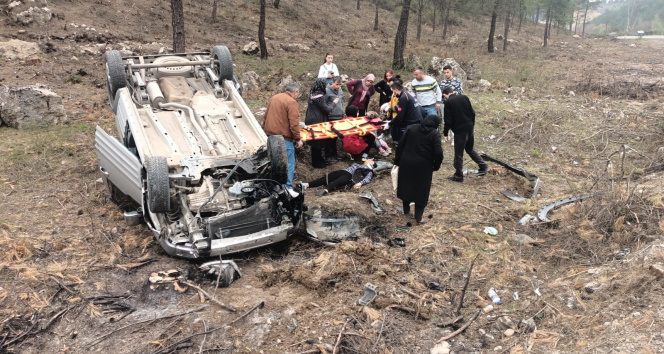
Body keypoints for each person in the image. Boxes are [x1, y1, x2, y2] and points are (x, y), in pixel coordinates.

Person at [394, 115, 443, 224]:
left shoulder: (412, 128)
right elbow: (438, 153)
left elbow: (401, 145)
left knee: (406, 185)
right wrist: (436, 165)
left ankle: (406, 210)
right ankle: (418, 217)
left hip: (406, 162)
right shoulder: (434, 134)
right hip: (423, 165)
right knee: (421, 190)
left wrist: (397, 161)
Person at [262, 83, 303, 196]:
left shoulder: (274, 98)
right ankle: (287, 188)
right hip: (284, 138)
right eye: (297, 94)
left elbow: (265, 116)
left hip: (271, 137)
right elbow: (294, 123)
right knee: (288, 163)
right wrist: (298, 138)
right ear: (295, 92)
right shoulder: (291, 102)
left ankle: (275, 188)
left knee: (274, 164)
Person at [442, 87, 489, 183]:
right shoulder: (464, 97)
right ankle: (483, 166)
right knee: (470, 149)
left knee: (458, 154)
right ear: (453, 92)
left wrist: (446, 133)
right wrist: (472, 124)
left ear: (445, 95)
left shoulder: (448, 103)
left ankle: (458, 176)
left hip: (460, 131)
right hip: (469, 127)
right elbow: (472, 112)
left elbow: (448, 121)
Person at [305, 78, 339, 168]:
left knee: (314, 140)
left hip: (310, 118)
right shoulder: (319, 96)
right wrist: (334, 103)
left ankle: (318, 159)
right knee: (317, 141)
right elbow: (327, 109)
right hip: (317, 120)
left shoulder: (312, 93)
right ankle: (317, 162)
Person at [302, 160, 376, 196]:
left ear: (372, 164)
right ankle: (307, 185)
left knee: (337, 182)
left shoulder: (369, 170)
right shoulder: (358, 164)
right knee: (325, 178)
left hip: (350, 176)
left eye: (369, 159)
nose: (367, 160)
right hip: (342, 171)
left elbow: (368, 179)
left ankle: (325, 190)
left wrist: (360, 183)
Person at [325, 76, 345, 161]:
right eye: (337, 84)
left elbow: (342, 101)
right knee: (329, 137)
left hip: (339, 116)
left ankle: (335, 153)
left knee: (336, 137)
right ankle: (328, 155)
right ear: (332, 82)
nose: (338, 86)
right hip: (331, 117)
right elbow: (324, 105)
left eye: (340, 85)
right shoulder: (326, 91)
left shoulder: (340, 90)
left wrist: (343, 113)